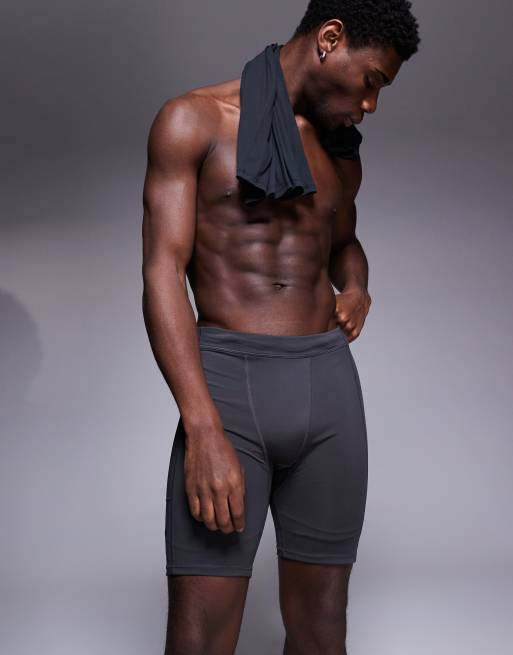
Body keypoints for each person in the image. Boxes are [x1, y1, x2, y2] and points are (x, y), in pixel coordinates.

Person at [141, 1, 420, 653]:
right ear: (330, 38)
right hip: (228, 392)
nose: (370, 104)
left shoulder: (339, 152)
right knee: (202, 634)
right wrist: (202, 427)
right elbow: (162, 274)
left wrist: (357, 287)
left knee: (322, 627)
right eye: (371, 80)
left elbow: (343, 243)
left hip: (328, 391)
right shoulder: (193, 121)